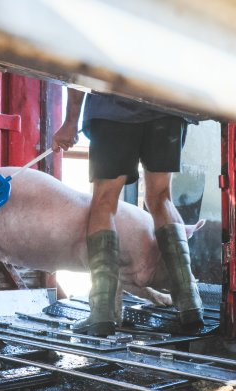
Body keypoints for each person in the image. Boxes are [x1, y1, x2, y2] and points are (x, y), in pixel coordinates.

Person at [52, 89, 205, 336]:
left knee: (104, 201)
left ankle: (103, 312)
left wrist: (70, 123)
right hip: (165, 108)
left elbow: (80, 65)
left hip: (114, 111)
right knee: (161, 198)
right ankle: (190, 303)